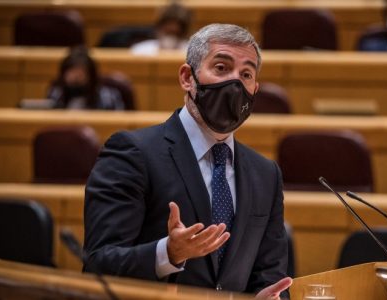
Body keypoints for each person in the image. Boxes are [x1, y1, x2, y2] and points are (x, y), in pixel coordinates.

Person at [84, 24, 292, 299]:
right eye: (221, 68)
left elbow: (271, 276)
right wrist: (168, 253)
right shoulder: (133, 153)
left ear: (255, 89)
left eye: (246, 74)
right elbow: (99, 263)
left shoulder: (265, 173)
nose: (234, 83)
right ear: (187, 77)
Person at [47, 47, 125, 110]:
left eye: (80, 74)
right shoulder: (56, 94)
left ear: (91, 75)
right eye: (71, 73)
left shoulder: (107, 98)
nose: (75, 78)